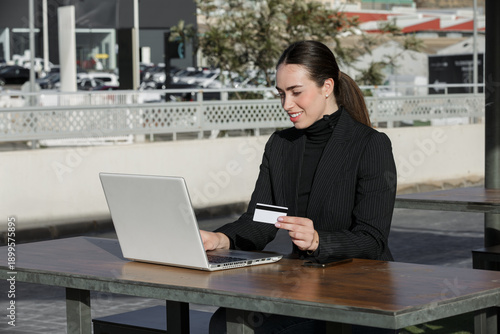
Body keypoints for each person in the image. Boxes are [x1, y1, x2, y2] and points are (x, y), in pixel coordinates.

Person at [200, 40, 397, 334]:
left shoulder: (370, 144)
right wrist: (220, 239)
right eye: (281, 93)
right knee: (226, 322)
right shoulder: (280, 146)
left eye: (296, 92)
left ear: (327, 87)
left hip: (361, 291)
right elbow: (262, 221)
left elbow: (372, 238)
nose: (286, 105)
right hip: (305, 286)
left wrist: (319, 240)